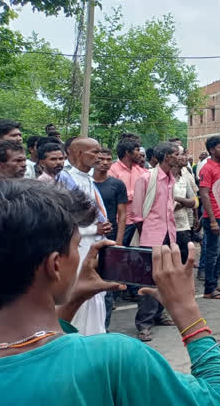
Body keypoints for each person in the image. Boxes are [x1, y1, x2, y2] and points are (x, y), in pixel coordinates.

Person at [0, 180, 220, 405]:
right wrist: (188, 312)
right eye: (78, 246)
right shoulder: (114, 359)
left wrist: (72, 300)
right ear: (55, 265)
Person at [59, 137, 112, 335]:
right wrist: (93, 230)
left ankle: (96, 336)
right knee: (82, 293)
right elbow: (63, 222)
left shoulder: (88, 179)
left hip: (95, 244)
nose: (99, 157)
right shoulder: (66, 180)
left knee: (97, 295)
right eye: (95, 152)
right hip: (79, 247)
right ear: (80, 154)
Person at [131, 142, 181, 342]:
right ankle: (144, 324)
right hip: (151, 236)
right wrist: (147, 237)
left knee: (165, 278)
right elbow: (137, 214)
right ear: (167, 157)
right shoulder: (146, 178)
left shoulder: (170, 179)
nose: (180, 157)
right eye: (177, 154)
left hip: (169, 234)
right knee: (149, 281)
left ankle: (159, 314)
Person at [92, 147, 128, 330]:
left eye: (108, 159)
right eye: (100, 159)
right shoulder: (86, 183)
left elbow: (122, 215)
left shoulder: (117, 184)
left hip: (111, 240)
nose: (104, 162)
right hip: (89, 240)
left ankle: (103, 329)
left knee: (107, 288)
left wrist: (119, 242)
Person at [199, 136, 220, 300]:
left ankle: (215, 284)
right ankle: (209, 289)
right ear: (212, 150)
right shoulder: (207, 168)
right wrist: (212, 220)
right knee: (212, 252)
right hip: (213, 216)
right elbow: (204, 194)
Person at [109, 138, 148, 246]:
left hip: (139, 222)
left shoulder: (141, 171)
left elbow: (148, 192)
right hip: (121, 222)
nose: (140, 153)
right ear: (127, 152)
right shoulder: (113, 170)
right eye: (136, 150)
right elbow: (113, 196)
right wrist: (136, 195)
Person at [171, 145, 197, 265]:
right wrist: (184, 202)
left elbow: (193, 202)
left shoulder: (183, 180)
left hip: (183, 226)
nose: (184, 157)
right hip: (168, 228)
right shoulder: (162, 179)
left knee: (184, 260)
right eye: (180, 154)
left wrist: (176, 199)